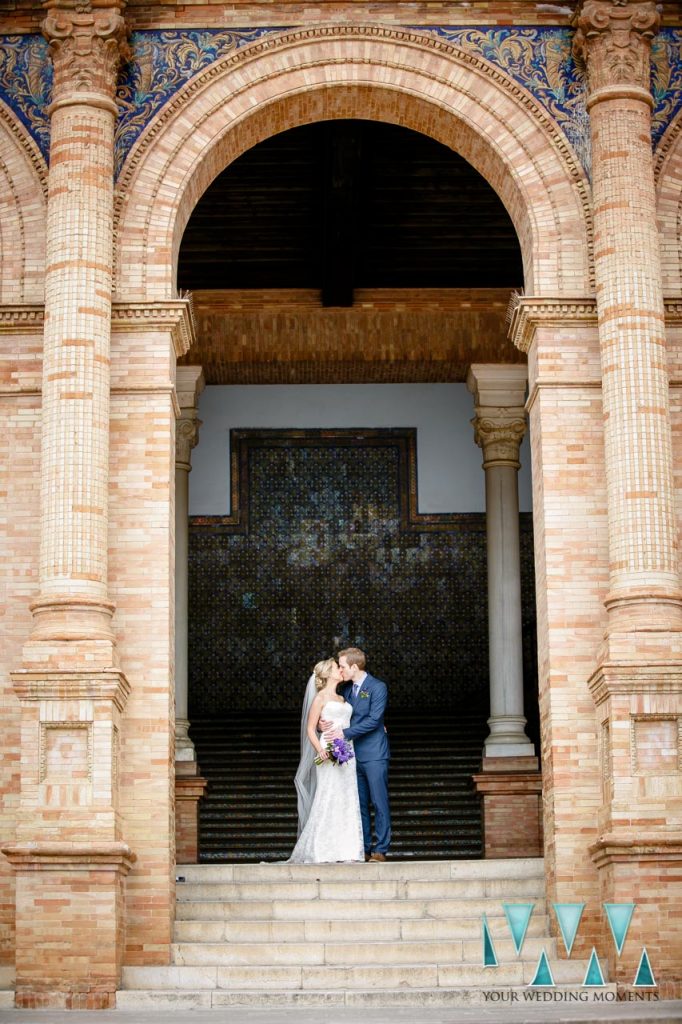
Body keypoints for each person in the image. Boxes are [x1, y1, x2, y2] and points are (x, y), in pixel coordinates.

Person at [288, 658, 364, 863]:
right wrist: (320, 750)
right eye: (336, 668)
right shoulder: (320, 698)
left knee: (347, 797)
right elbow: (310, 728)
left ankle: (347, 849)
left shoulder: (343, 696)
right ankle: (322, 848)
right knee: (328, 794)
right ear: (327, 674)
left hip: (348, 751)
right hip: (329, 749)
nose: (340, 670)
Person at [321, 647, 391, 862]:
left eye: (342, 666)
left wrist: (344, 732)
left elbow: (373, 720)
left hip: (374, 753)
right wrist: (324, 723)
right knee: (358, 804)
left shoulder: (377, 687)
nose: (340, 670)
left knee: (379, 802)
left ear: (354, 666)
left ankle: (381, 849)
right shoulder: (346, 692)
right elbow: (340, 714)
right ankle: (364, 848)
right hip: (351, 756)